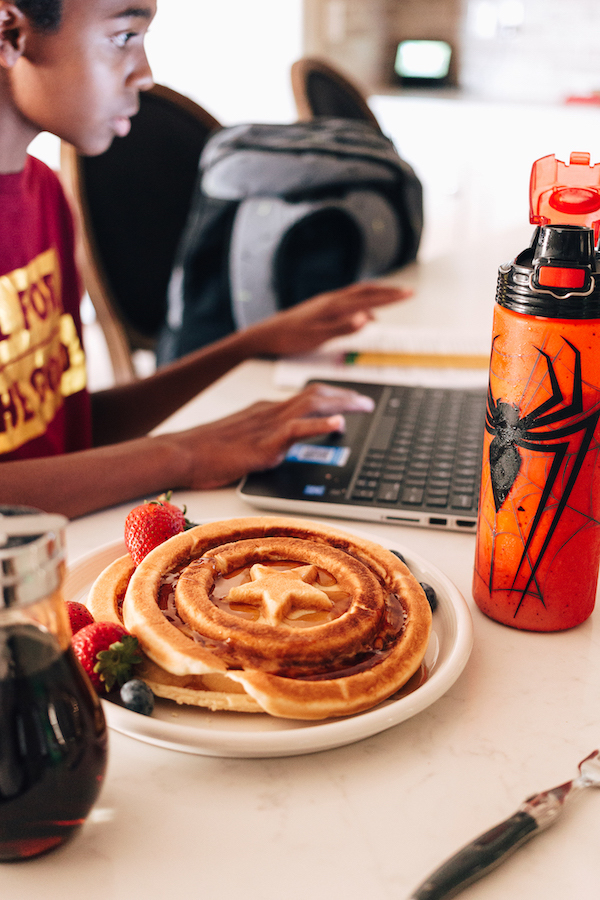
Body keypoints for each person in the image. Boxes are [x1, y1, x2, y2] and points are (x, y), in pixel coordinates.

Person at [0, 0, 411, 519]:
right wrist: (185, 453)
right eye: (124, 36)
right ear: (11, 31)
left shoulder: (42, 194)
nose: (146, 75)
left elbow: (65, 434)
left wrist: (251, 343)